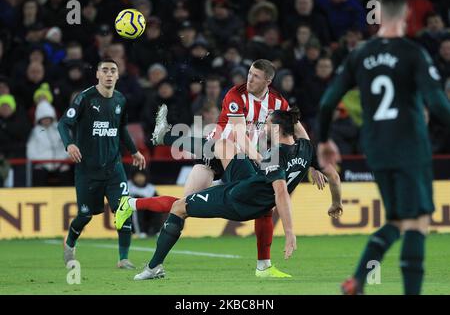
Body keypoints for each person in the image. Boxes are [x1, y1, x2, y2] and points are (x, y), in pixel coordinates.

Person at [133, 59, 325, 278]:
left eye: (255, 76)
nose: (249, 79)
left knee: (263, 208)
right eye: (249, 73)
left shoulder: (278, 101)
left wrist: (310, 162)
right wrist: (264, 161)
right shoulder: (236, 95)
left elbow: (297, 130)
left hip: (245, 158)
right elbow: (240, 136)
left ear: (268, 81)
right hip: (220, 153)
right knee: (183, 204)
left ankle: (264, 266)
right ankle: (136, 198)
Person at [317, 0, 450, 295]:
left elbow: (326, 103)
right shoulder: (412, 53)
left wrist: (324, 139)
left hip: (376, 149)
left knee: (395, 221)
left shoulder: (359, 54)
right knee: (417, 222)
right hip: (409, 147)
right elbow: (439, 105)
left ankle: (357, 281)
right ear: (405, 13)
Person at [115, 108, 343, 280]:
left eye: (266, 125)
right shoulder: (306, 148)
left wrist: (290, 232)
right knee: (223, 144)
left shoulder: (276, 154)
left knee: (179, 207)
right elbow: (333, 174)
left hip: (240, 199)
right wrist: (336, 202)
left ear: (276, 130)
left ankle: (153, 266)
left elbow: (281, 192)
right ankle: (165, 137)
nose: (263, 128)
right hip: (251, 184)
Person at [58, 59, 146, 269]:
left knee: (124, 210)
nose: (108, 74)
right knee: (85, 215)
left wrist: (134, 151)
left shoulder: (120, 100)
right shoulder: (85, 98)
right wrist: (69, 144)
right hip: (88, 171)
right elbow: (63, 123)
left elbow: (121, 128)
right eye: (104, 70)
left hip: (114, 168)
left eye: (112, 71)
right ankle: (70, 245)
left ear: (117, 75)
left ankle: (123, 258)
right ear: (97, 74)